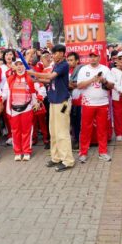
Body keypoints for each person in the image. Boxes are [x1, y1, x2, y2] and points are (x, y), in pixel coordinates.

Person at [26, 44, 74, 172]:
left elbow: (51, 77)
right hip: (53, 101)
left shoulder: (63, 65)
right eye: (54, 52)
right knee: (53, 131)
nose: (56, 54)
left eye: (59, 52)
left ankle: (67, 160)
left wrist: (34, 73)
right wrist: (38, 80)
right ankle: (56, 157)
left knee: (62, 132)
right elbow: (51, 81)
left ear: (63, 54)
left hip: (62, 103)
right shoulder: (56, 65)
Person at [76, 48, 115, 163]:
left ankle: (102, 152)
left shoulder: (105, 69)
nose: (93, 58)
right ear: (89, 57)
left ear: (99, 57)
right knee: (85, 129)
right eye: (91, 56)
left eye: (95, 56)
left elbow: (111, 86)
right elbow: (79, 85)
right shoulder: (83, 69)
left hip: (102, 103)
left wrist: (103, 81)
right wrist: (92, 80)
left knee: (102, 129)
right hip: (88, 104)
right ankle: (83, 153)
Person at [3, 59, 41, 161]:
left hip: (27, 108)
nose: (19, 67)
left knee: (26, 131)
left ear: (25, 66)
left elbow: (41, 89)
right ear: (14, 67)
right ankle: (18, 152)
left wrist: (38, 100)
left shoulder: (30, 78)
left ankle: (26, 151)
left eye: (21, 64)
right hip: (14, 109)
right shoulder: (10, 79)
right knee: (15, 131)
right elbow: (5, 94)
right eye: (17, 65)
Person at [67, 52, 83, 150]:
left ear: (77, 61)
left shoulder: (82, 70)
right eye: (68, 60)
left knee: (81, 122)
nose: (69, 62)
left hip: (81, 101)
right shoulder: (66, 70)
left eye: (71, 60)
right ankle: (76, 140)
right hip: (69, 101)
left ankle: (82, 141)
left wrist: (71, 84)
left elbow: (82, 83)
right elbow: (65, 84)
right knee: (73, 123)